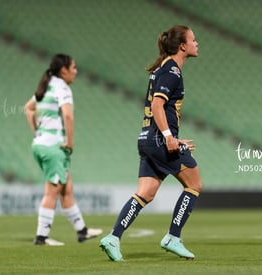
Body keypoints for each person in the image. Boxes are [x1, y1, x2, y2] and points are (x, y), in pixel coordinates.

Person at [99, 25, 202, 261]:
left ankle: (113, 238)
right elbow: (157, 105)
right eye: (194, 40)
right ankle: (173, 237)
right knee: (194, 184)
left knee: (145, 193)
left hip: (146, 138)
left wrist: (171, 136)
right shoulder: (172, 72)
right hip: (160, 141)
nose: (197, 44)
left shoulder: (161, 69)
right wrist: (168, 137)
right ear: (182, 46)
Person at [24, 53, 102, 246]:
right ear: (64, 70)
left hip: (41, 144)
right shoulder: (62, 88)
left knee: (67, 188)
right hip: (54, 146)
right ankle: (41, 237)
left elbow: (28, 108)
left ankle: (82, 231)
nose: (76, 71)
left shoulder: (46, 85)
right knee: (52, 191)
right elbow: (68, 115)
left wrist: (37, 132)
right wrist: (70, 142)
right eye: (73, 67)